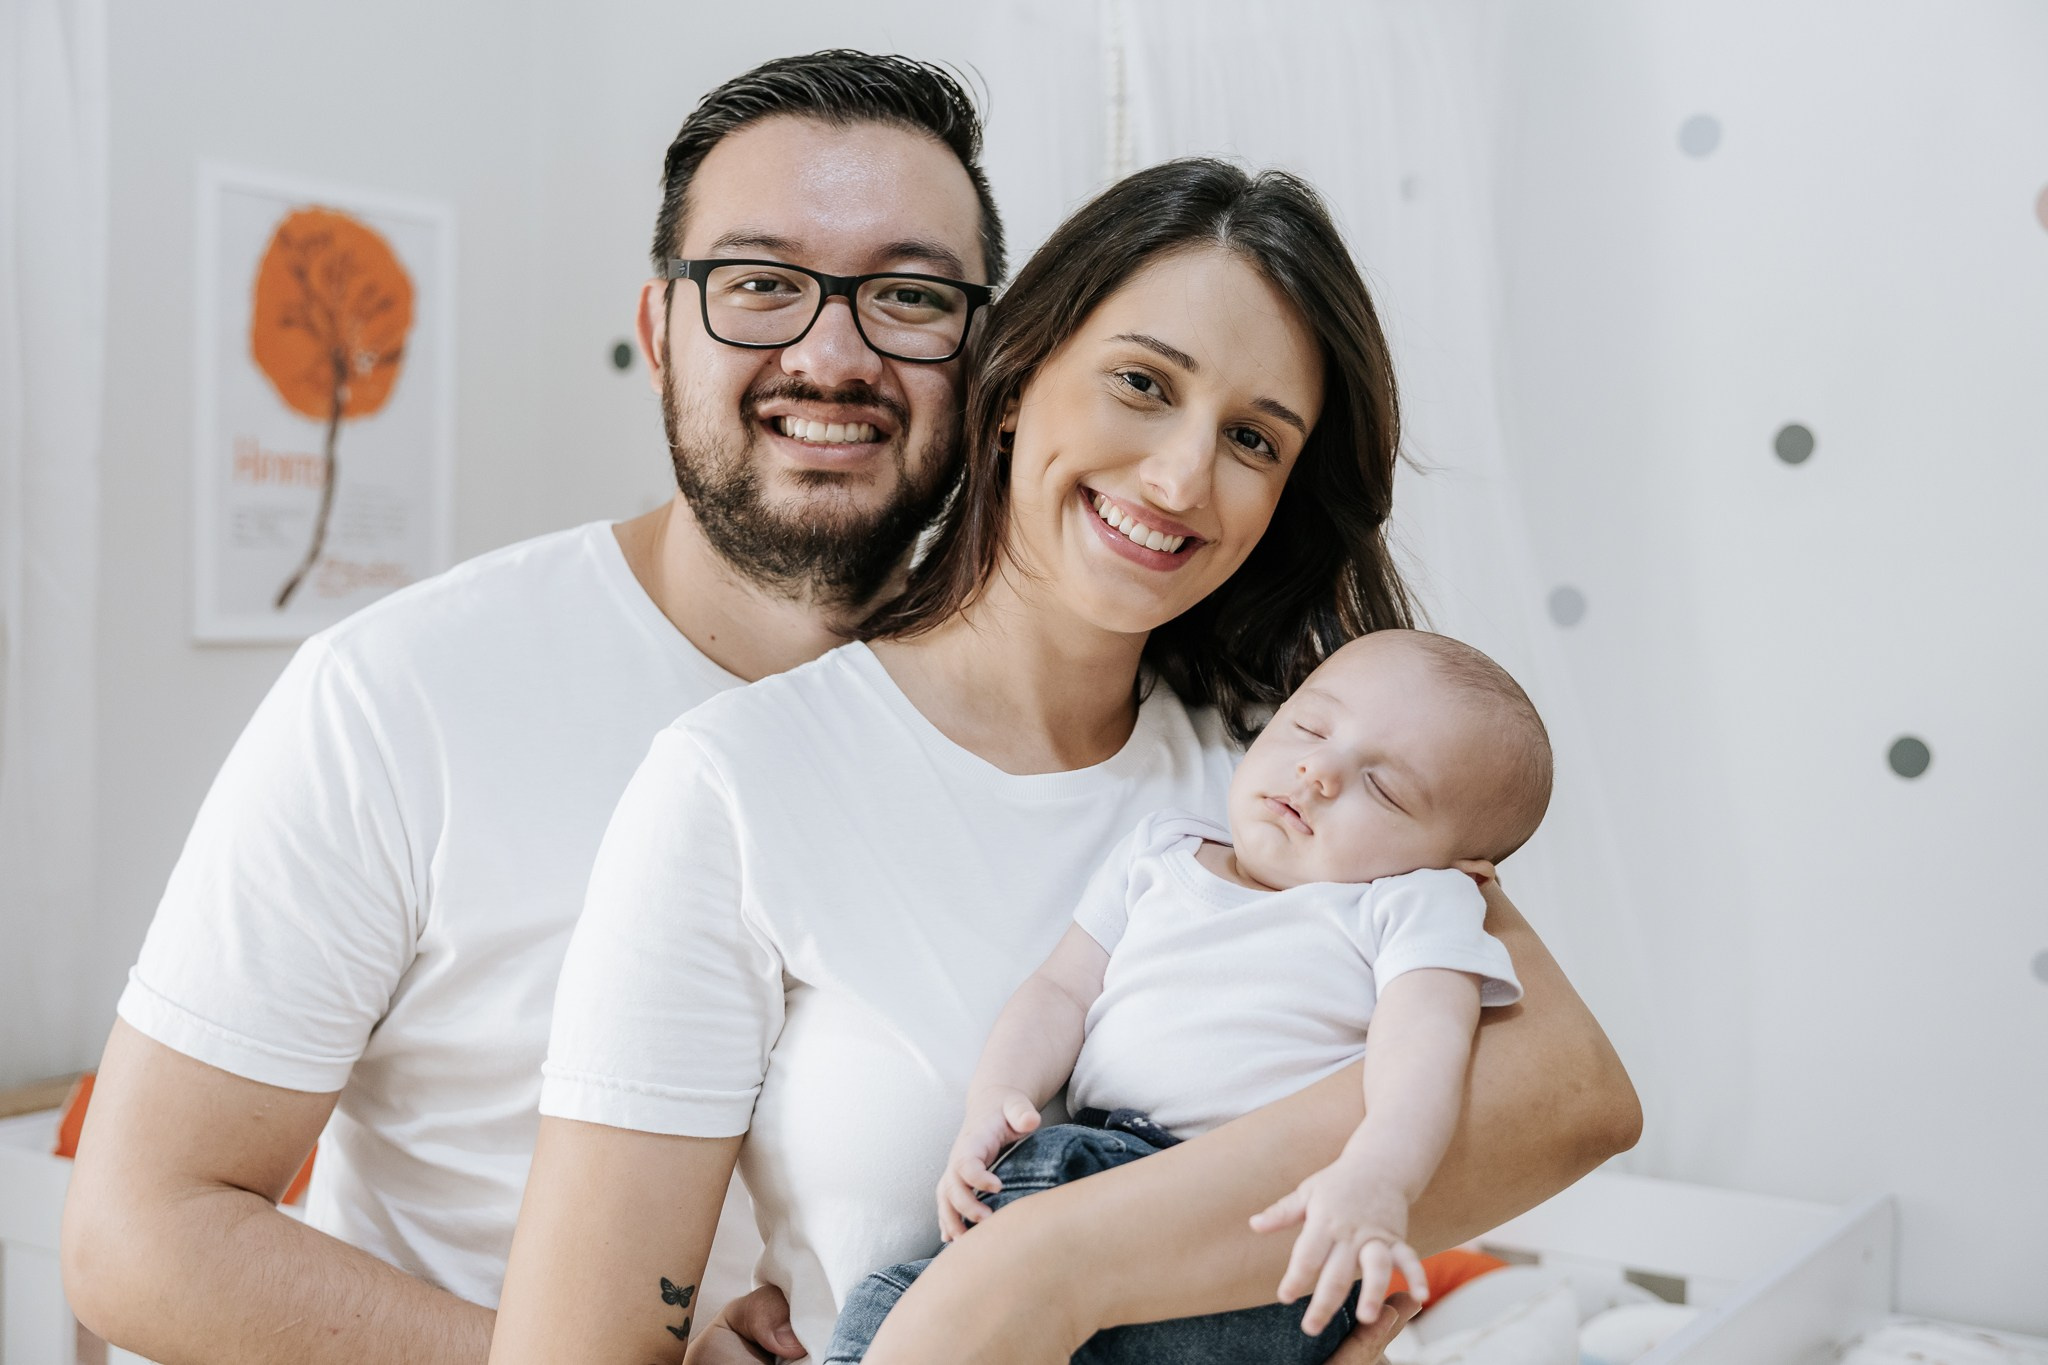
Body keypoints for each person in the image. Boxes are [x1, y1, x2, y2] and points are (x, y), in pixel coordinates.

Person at [488, 158, 1639, 1365]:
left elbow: (1573, 1098)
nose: (1182, 476)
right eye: (1141, 383)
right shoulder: (736, 782)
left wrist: (1044, 1269)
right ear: (1012, 385)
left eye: (1251, 438)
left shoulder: (1298, 761)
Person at [61, 51, 1015, 1365]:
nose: (831, 351)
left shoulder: (1041, 732)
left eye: (909, 295)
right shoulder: (402, 695)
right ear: (661, 325)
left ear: (990, 354)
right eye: (758, 284)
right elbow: (135, 1236)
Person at [828, 629, 1552, 1364]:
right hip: (1083, 1169)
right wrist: (996, 1099)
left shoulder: (1409, 903)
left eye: (1385, 786)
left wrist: (1380, 1173)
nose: (1321, 770)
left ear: (1466, 868)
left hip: (1244, 1232)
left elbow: (1426, 1048)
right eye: (1309, 725)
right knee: (887, 1310)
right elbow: (1059, 989)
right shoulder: (1161, 851)